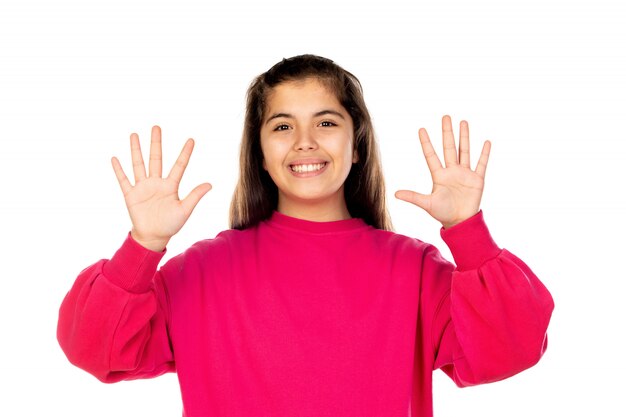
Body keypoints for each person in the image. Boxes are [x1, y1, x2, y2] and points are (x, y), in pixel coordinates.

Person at [57, 54, 554, 417]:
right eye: (281, 126)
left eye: (326, 121)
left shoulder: (414, 270)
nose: (305, 142)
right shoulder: (201, 271)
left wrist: (468, 234)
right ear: (260, 150)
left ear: (355, 144)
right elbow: (92, 349)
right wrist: (142, 246)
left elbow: (514, 347)